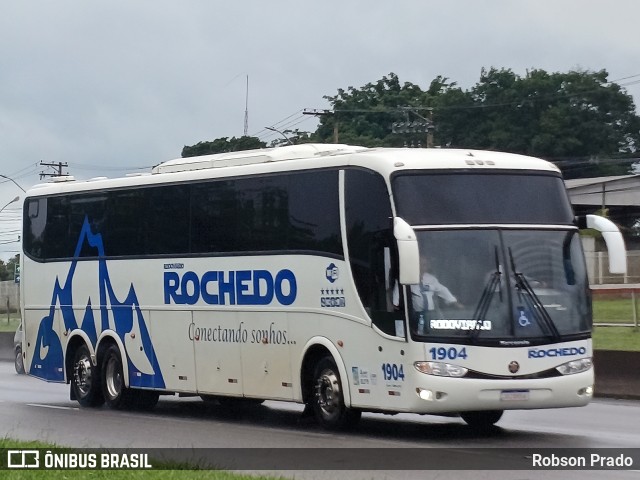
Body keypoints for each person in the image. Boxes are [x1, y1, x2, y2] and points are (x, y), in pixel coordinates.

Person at [392, 256, 461, 333]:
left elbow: (442, 290)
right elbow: (398, 289)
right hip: (415, 313)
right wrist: (395, 303)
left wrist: (454, 302)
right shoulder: (407, 277)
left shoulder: (431, 279)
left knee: (430, 332)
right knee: (416, 331)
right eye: (420, 264)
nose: (422, 267)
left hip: (430, 314)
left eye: (424, 264)